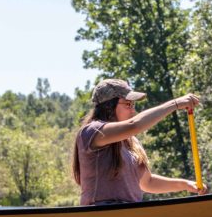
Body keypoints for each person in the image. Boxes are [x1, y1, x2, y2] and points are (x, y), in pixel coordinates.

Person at [72, 78, 205, 206]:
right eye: (128, 104)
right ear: (108, 106)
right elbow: (134, 125)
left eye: (133, 104)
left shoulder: (131, 141)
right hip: (101, 216)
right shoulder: (92, 131)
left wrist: (185, 185)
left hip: (130, 215)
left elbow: (148, 182)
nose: (133, 110)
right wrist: (175, 104)